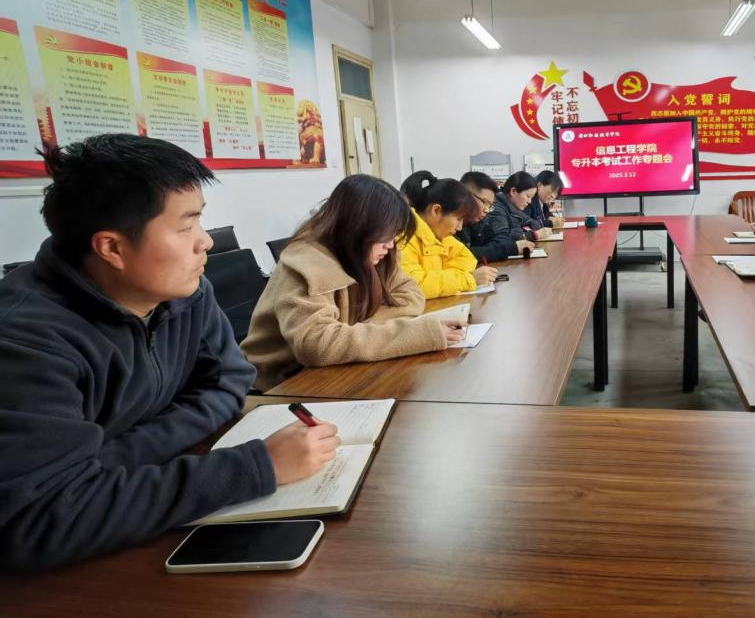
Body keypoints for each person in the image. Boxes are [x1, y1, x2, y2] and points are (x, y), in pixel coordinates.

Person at [0, 134, 339, 571]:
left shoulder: (185, 293)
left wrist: (115, 455)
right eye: (185, 227)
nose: (206, 242)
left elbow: (231, 379)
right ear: (112, 248)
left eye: (201, 221)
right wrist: (257, 467)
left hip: (138, 508)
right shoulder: (25, 340)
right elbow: (41, 518)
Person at [242, 175, 464, 392]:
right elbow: (317, 344)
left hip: (331, 371)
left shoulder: (373, 253)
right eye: (386, 235)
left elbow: (412, 297)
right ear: (358, 227)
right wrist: (413, 334)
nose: (390, 245)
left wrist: (353, 331)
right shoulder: (306, 263)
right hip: (281, 385)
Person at [400, 170, 498, 298]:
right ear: (436, 210)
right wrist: (467, 279)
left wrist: (447, 280)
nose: (460, 227)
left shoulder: (441, 236)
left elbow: (467, 258)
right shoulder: (402, 237)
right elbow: (413, 285)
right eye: (458, 219)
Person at [456, 171, 534, 262]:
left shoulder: (479, 220)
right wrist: (510, 248)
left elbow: (502, 239)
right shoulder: (452, 223)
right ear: (467, 196)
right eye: (484, 202)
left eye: (490, 205)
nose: (487, 210)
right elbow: (461, 255)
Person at [481, 171, 552, 250]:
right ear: (513, 191)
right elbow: (503, 240)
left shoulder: (513, 207)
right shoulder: (496, 209)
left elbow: (532, 222)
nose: (529, 201)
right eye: (528, 196)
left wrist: (523, 231)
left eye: (531, 198)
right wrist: (533, 235)